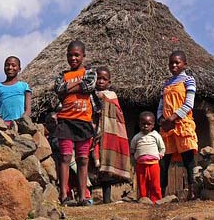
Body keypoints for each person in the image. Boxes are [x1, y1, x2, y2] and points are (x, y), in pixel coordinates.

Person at [53, 40, 97, 206]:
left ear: (83, 56)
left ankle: (82, 196)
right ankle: (63, 195)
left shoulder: (90, 72)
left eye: (77, 55)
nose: (73, 58)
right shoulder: (61, 75)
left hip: (84, 120)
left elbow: (89, 86)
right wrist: (78, 84)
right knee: (65, 157)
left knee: (83, 159)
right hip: (65, 120)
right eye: (70, 55)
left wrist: (70, 86)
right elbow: (58, 89)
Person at [158, 50, 198, 200]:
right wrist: (161, 119)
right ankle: (161, 194)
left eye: (177, 62)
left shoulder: (189, 80)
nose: (174, 65)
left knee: (188, 160)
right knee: (164, 161)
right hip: (167, 128)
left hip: (183, 125)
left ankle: (192, 191)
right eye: (171, 63)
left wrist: (173, 118)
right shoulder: (166, 83)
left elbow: (189, 104)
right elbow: (161, 105)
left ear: (184, 64)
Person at [91, 66, 131, 204]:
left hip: (107, 133)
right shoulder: (89, 94)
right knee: (92, 165)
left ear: (109, 82)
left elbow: (117, 116)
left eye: (104, 79)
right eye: (98, 78)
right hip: (92, 132)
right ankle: (88, 198)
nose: (101, 81)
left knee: (106, 166)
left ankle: (107, 199)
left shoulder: (111, 95)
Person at [131, 111, 165, 203]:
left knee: (155, 184)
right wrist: (134, 157)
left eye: (148, 124)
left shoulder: (156, 135)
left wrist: (161, 154)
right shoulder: (136, 137)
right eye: (143, 124)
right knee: (142, 184)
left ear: (153, 125)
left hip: (154, 164)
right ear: (139, 124)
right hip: (141, 165)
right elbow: (132, 148)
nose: (146, 126)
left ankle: (156, 200)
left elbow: (162, 147)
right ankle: (143, 199)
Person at [0, 56, 32, 126]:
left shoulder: (24, 86)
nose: (10, 68)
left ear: (19, 69)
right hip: (3, 124)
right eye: (7, 65)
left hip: (21, 123)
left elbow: (28, 110)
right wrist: (2, 123)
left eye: (14, 65)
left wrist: (20, 122)